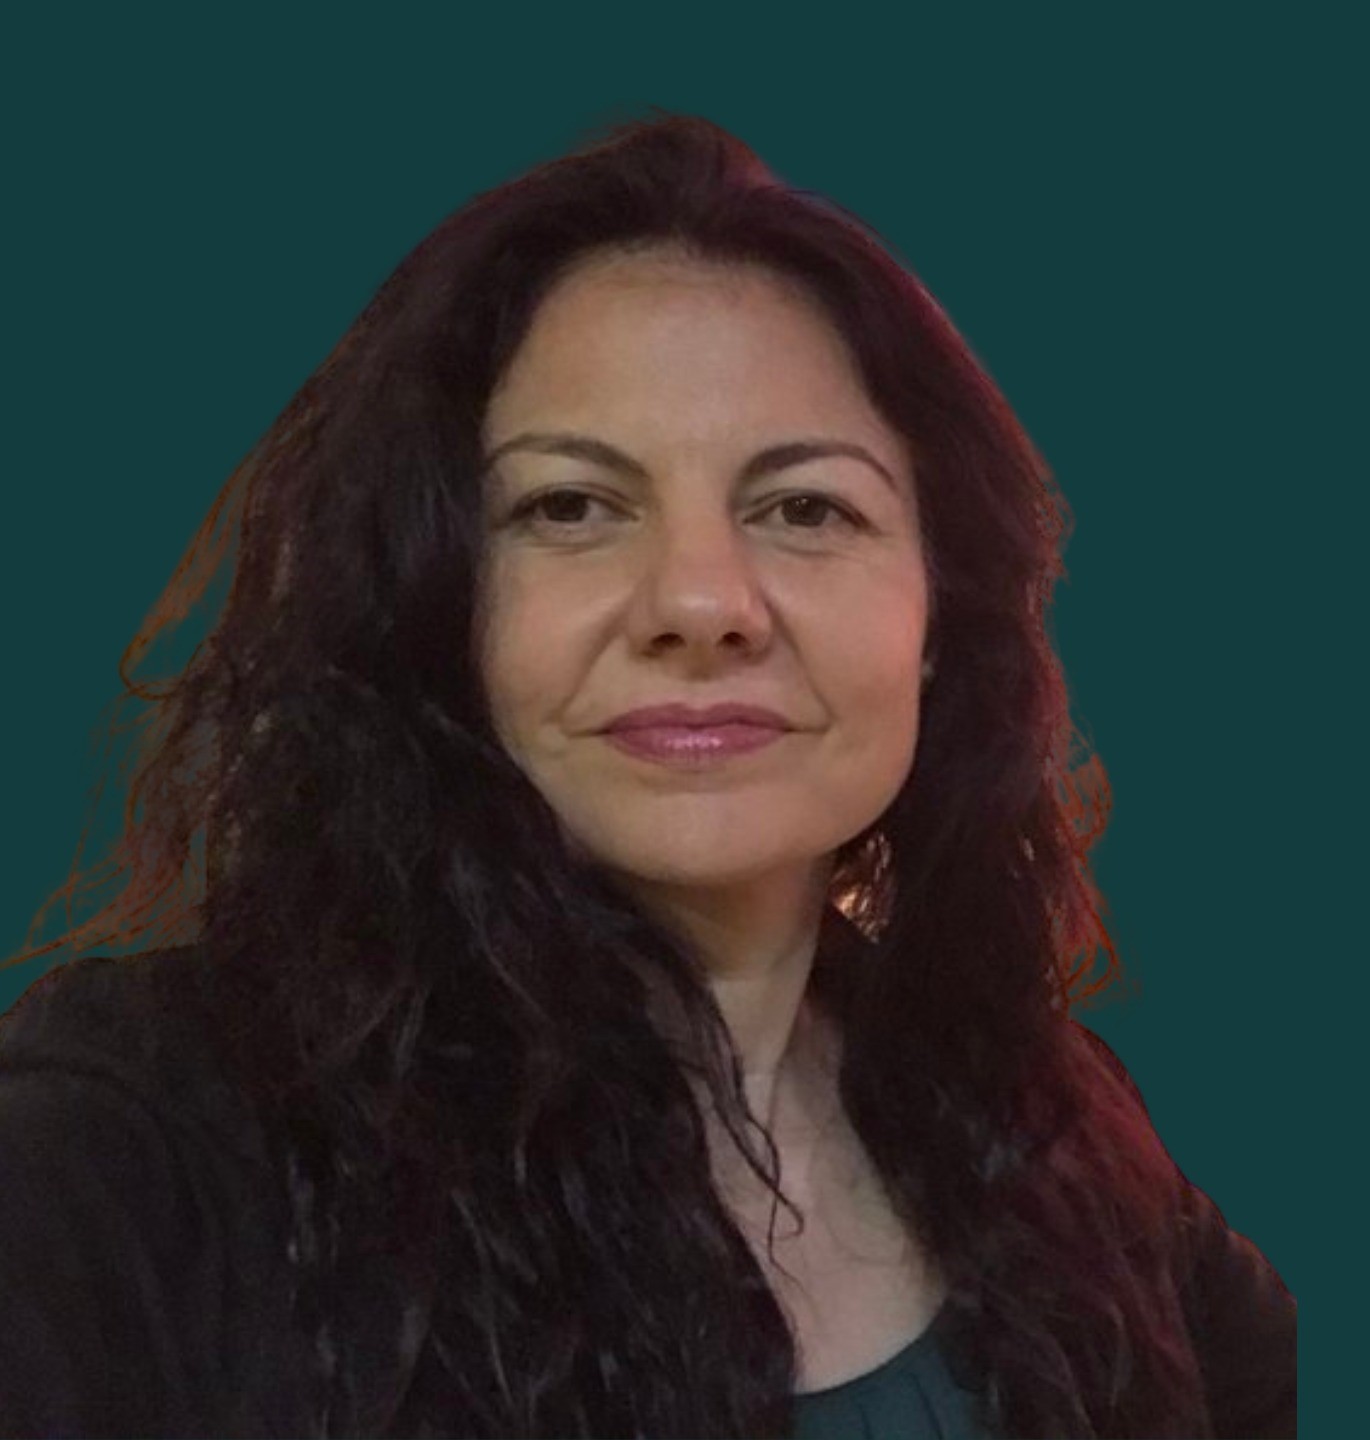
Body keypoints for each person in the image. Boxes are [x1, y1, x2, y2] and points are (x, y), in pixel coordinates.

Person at [0, 112, 1295, 1439]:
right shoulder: (129, 1153)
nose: (700, 602)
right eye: (569, 507)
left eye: (806, 508)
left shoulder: (1057, 1130)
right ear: (433, 604)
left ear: (936, 620)